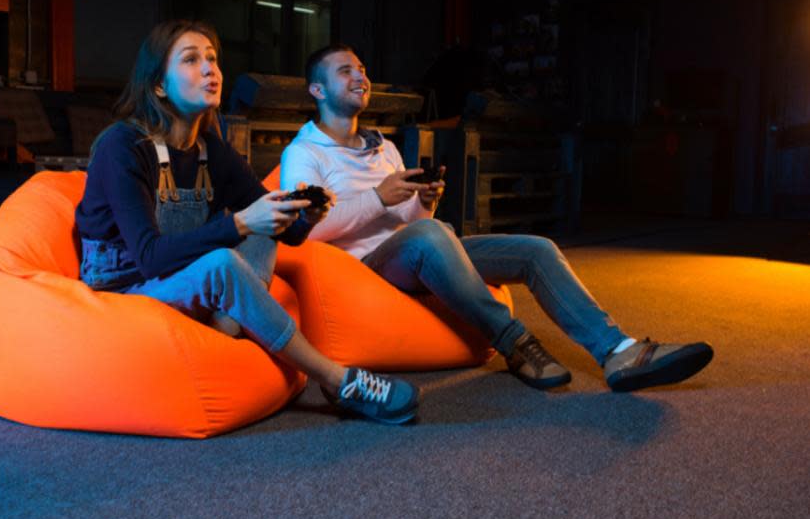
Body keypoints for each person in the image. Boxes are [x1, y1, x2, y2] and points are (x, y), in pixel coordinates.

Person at [280, 44, 713, 392]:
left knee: (534, 250)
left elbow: (410, 219)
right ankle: (516, 343)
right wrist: (379, 197)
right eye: (345, 71)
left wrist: (424, 200)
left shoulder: (383, 147)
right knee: (431, 234)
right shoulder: (304, 153)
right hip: (365, 270)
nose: (361, 77)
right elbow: (305, 228)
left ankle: (617, 350)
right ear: (317, 91)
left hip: (416, 249)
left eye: (362, 69)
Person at [75, 21, 417, 424]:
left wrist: (304, 216)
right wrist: (239, 223)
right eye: (191, 59)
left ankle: (224, 330)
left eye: (213, 59)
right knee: (225, 260)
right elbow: (149, 257)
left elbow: (281, 233)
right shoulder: (124, 146)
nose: (210, 70)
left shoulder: (209, 148)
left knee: (262, 232)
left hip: (179, 273)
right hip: (124, 284)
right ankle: (336, 379)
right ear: (159, 87)